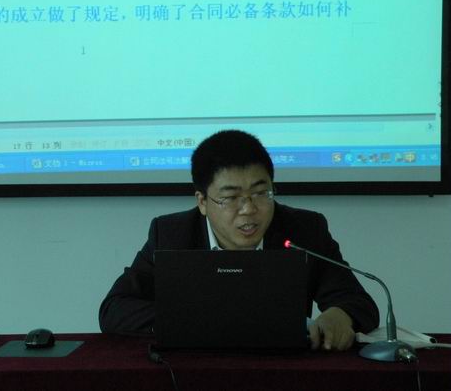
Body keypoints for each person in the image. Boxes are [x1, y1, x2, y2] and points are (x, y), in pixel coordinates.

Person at [99, 130, 379, 351]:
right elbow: (114, 308)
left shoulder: (304, 230)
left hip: (281, 370)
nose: (248, 209)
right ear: (202, 201)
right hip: (193, 370)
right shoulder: (172, 234)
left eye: (261, 193)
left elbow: (358, 302)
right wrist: (195, 321)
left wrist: (340, 315)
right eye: (231, 197)